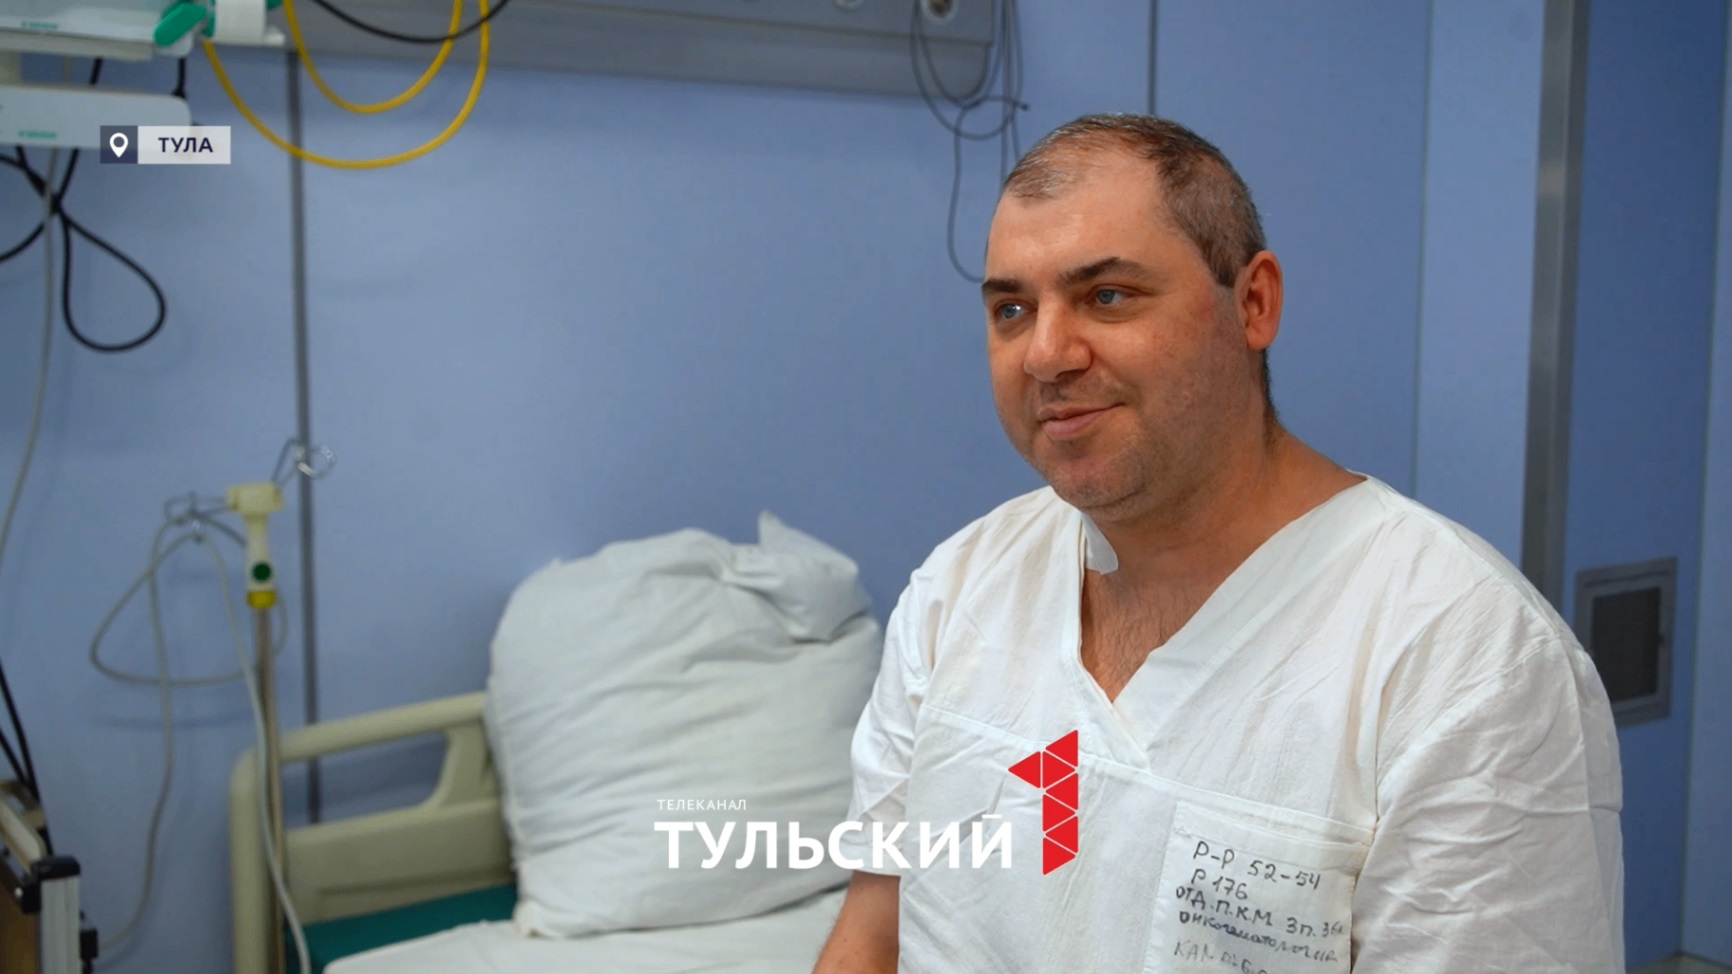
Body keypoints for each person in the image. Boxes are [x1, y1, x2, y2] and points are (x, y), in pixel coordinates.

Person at [811, 114, 1624, 974]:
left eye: (1107, 296)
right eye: (1011, 309)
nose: (1045, 354)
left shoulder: (1464, 662)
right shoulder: (961, 590)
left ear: (1253, 303)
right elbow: (875, 930)